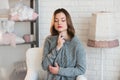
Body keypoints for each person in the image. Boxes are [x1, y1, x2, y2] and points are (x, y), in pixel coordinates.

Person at [42, 8, 86, 80]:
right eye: (56, 20)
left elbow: (81, 69)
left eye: (63, 20)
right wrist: (57, 48)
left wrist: (59, 71)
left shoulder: (76, 44)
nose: (59, 23)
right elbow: (44, 65)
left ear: (68, 22)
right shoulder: (49, 40)